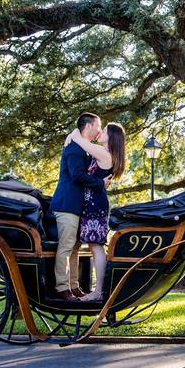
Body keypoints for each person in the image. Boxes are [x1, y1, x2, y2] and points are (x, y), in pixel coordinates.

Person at [64, 122, 126, 302]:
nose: (100, 131)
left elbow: (79, 139)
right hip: (91, 203)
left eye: (104, 130)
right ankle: (96, 289)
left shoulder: (105, 153)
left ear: (111, 137)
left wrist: (74, 133)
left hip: (95, 204)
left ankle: (99, 291)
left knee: (96, 246)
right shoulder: (103, 153)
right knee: (93, 246)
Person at [49, 113, 107, 301]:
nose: (100, 130)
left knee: (74, 248)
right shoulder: (74, 149)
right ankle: (62, 287)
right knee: (66, 247)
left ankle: (74, 286)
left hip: (76, 207)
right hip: (67, 205)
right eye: (98, 126)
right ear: (88, 126)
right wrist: (100, 184)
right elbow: (77, 175)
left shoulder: (85, 148)